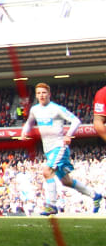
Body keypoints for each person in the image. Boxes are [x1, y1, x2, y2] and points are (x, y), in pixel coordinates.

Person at [21, 82, 102, 215]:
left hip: (59, 147)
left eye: (44, 92)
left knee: (47, 171)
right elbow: (30, 122)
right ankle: (95, 195)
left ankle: (51, 205)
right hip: (48, 150)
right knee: (66, 181)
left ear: (49, 94)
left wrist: (68, 135)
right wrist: (24, 131)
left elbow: (76, 120)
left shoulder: (56, 109)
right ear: (36, 95)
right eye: (39, 93)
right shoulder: (35, 110)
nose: (41, 95)